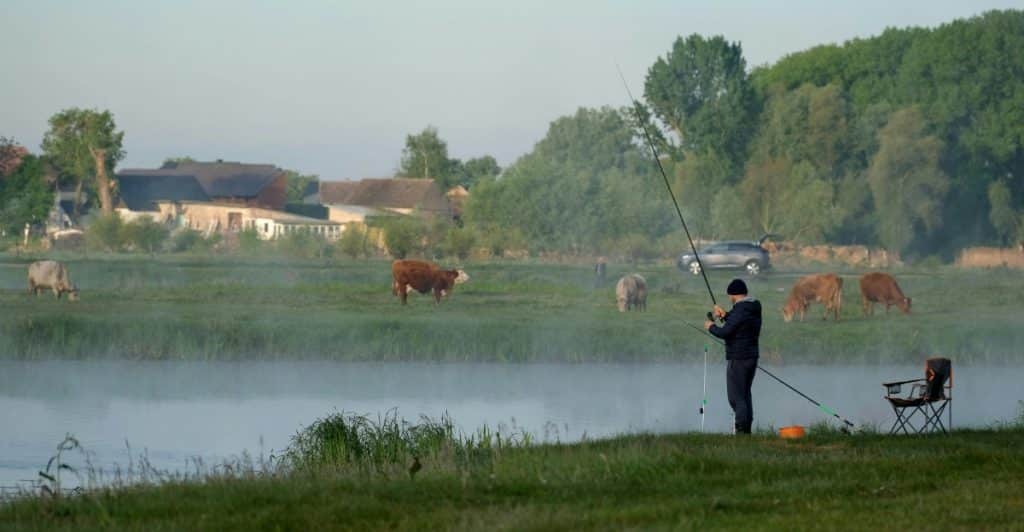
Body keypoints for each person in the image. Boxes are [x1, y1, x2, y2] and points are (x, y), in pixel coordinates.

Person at [704, 279, 762, 434]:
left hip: (738, 358)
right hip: (751, 357)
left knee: (736, 397)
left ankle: (741, 431)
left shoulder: (741, 309)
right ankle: (746, 430)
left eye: (730, 296)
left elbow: (725, 332)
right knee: (744, 394)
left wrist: (711, 326)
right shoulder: (753, 307)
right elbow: (739, 323)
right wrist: (726, 315)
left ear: (733, 295)